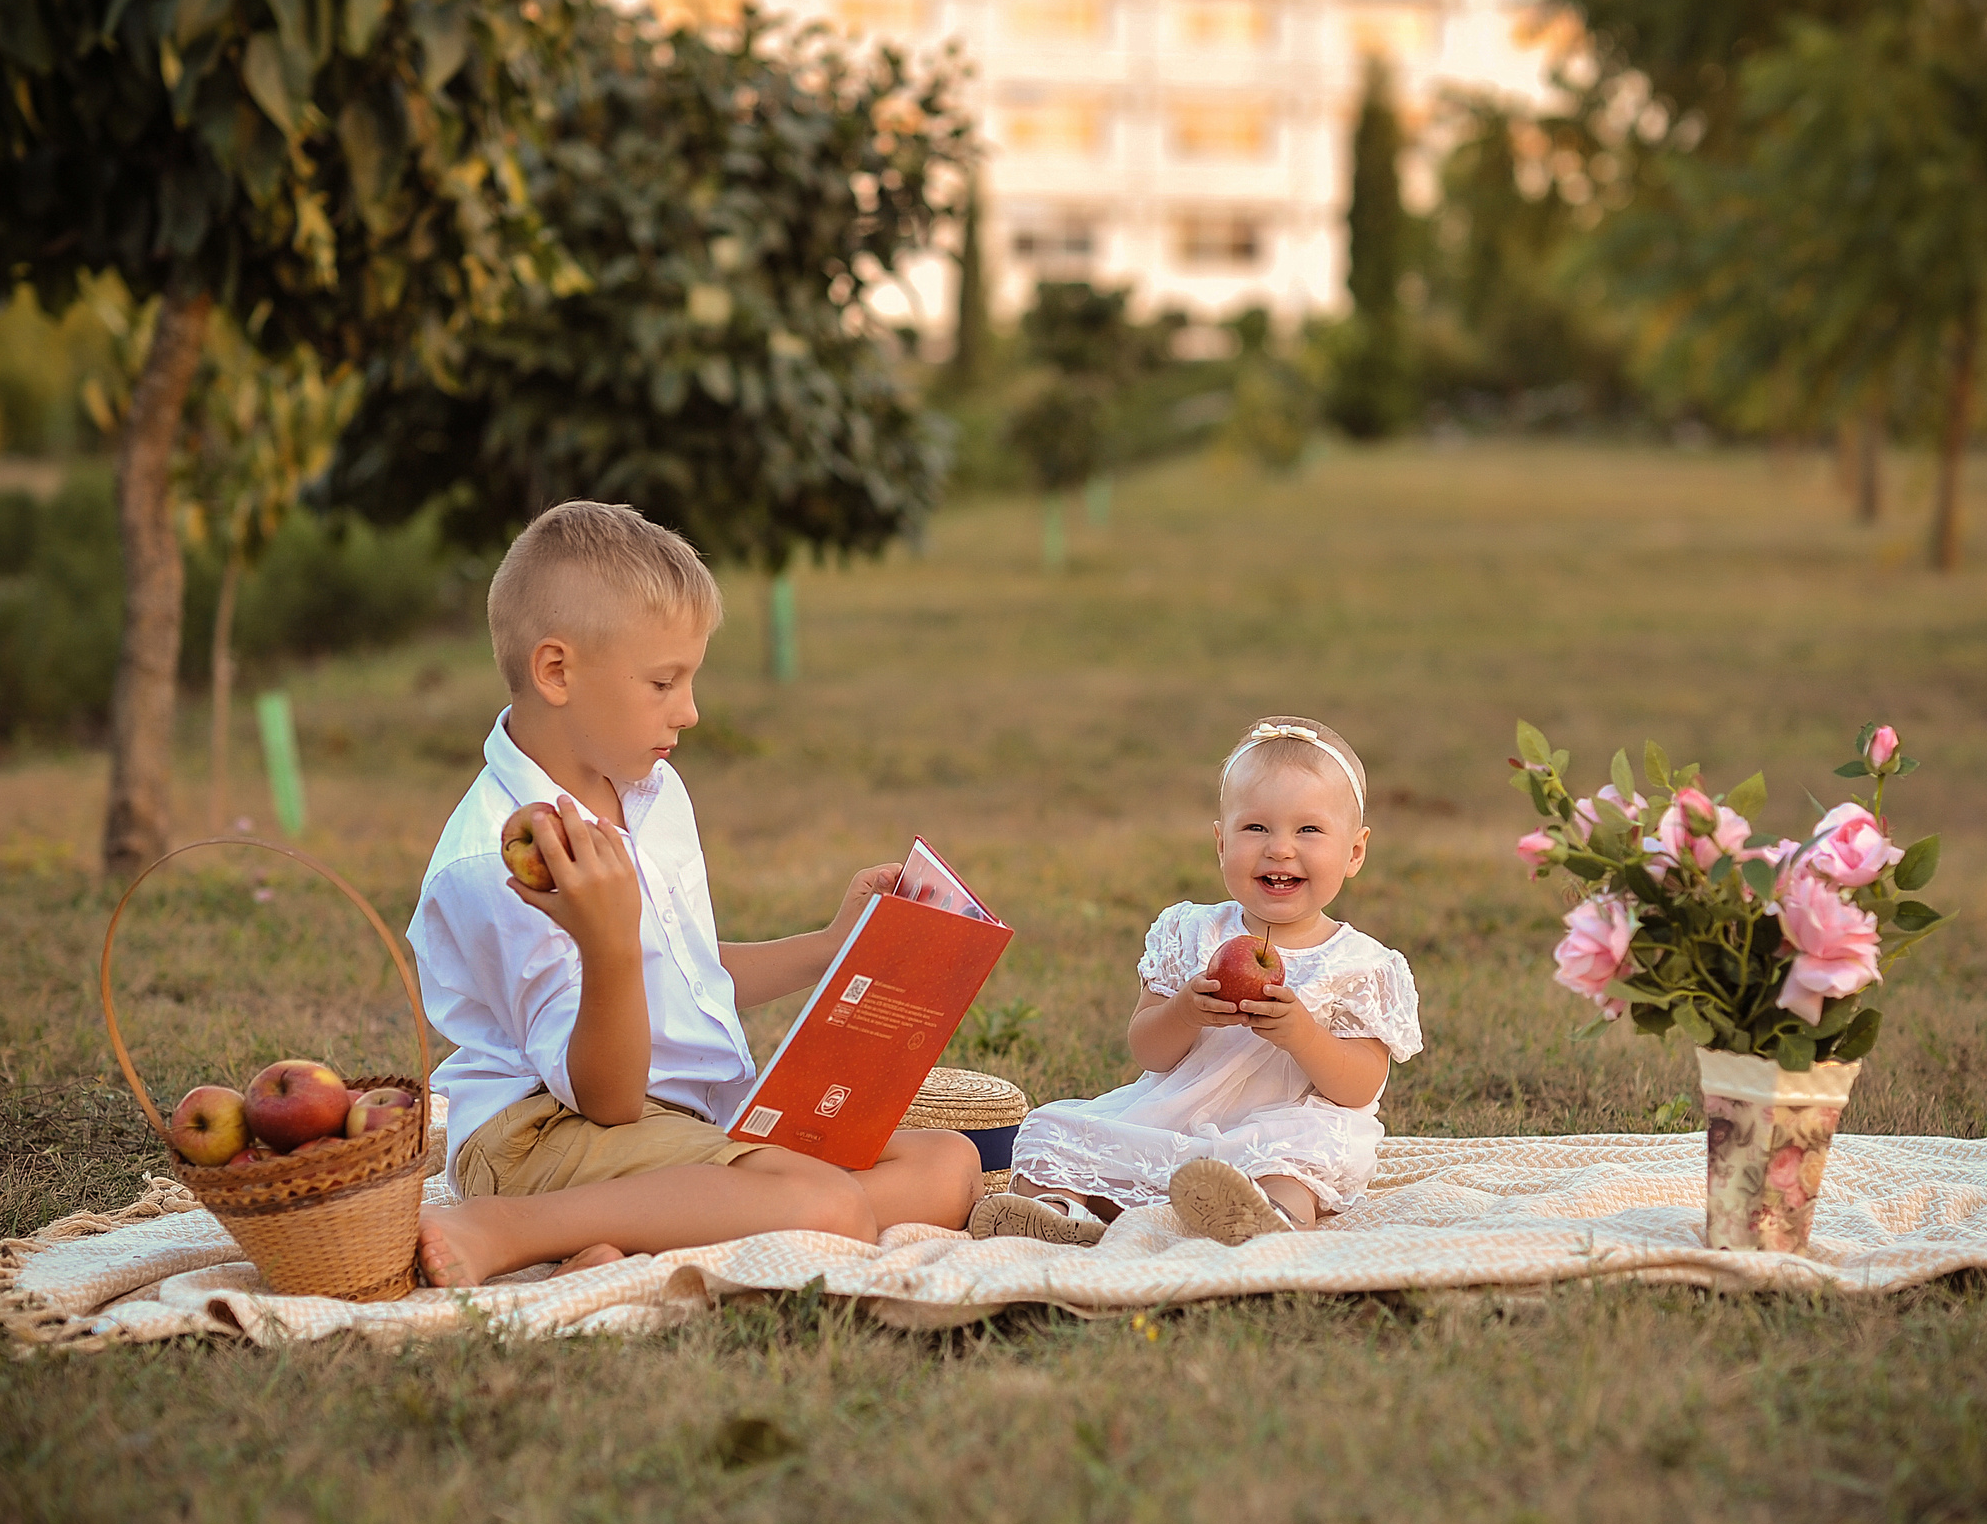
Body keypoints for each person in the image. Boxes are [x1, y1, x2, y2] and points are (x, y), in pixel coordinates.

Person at [409, 501, 981, 1287]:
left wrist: (830, 945)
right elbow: (604, 1098)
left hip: (681, 1119)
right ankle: (509, 1227)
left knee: (947, 1165)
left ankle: (634, 1233)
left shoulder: (651, 790)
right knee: (829, 1208)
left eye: (690, 678)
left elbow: (682, 972)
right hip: (542, 1133)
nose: (690, 710)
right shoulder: (500, 859)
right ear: (557, 671)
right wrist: (607, 940)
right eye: (662, 682)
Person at [970, 716, 1422, 1247]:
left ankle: (1270, 1215)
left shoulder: (1359, 963)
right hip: (1175, 1117)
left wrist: (1301, 1032)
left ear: (1355, 852)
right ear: (1220, 842)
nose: (1279, 849)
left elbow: (1358, 1086)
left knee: (1302, 1158)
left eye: (1308, 830)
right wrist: (1184, 1012)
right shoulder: (1192, 931)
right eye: (1255, 828)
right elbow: (1148, 1051)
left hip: (1280, 1127)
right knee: (1053, 1130)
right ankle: (1060, 1209)